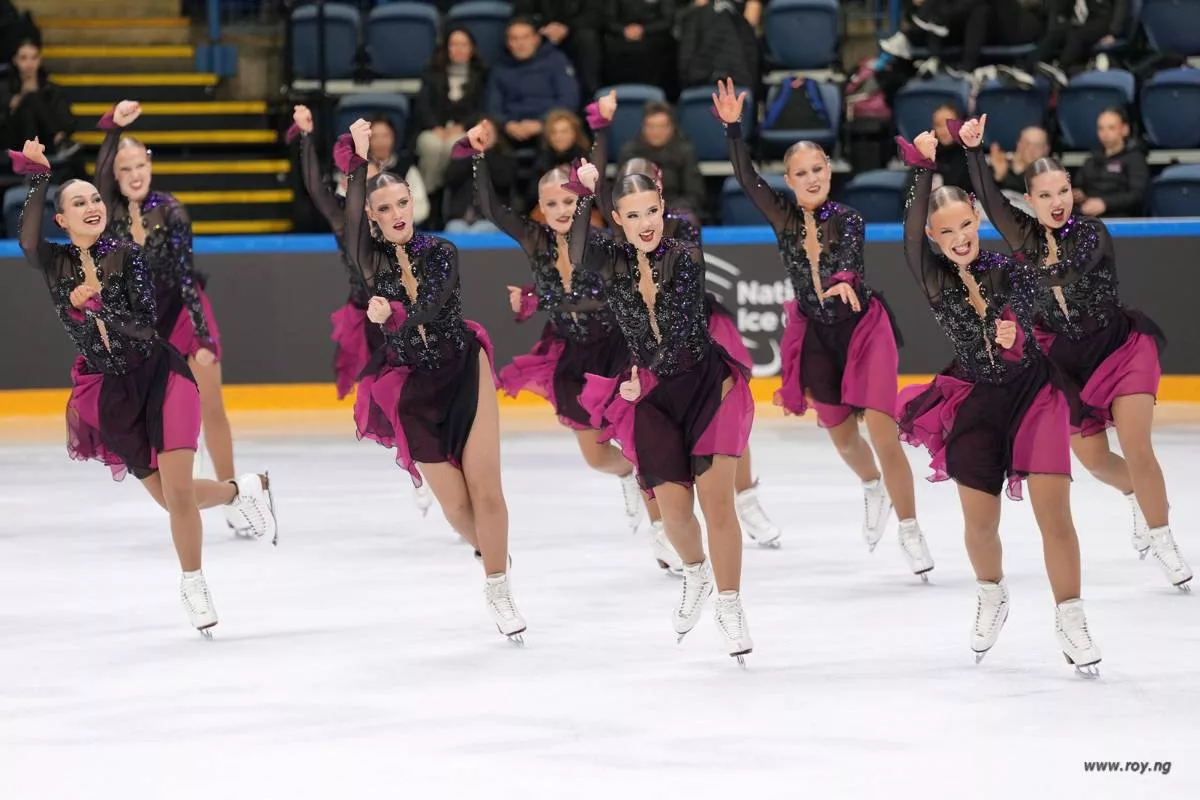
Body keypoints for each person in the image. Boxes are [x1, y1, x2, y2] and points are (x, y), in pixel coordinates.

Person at [12, 138, 277, 637]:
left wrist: (94, 306)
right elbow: (27, 241)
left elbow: (144, 326)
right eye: (79, 203)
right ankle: (244, 488)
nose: (92, 206)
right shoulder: (54, 264)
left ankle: (194, 583)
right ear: (62, 221)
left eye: (95, 199)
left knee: (178, 492)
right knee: (169, 500)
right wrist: (41, 177)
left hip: (162, 376)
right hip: (112, 395)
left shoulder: (126, 255)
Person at [897, 129, 1101, 675]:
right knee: (980, 523)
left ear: (978, 220)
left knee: (1054, 515)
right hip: (975, 402)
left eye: (966, 224)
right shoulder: (933, 279)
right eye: (947, 232)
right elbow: (910, 232)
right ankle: (991, 593)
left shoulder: (1011, 268)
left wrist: (1014, 336)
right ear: (936, 239)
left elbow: (1025, 318)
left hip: (1034, 392)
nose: (959, 236)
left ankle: (1071, 615)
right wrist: (923, 167)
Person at [959, 113, 1192, 589]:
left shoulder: (1092, 234)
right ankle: (1133, 493)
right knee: (1094, 459)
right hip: (1063, 365)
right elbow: (988, 198)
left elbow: (1065, 274)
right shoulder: (1022, 236)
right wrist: (972, 151)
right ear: (1029, 201)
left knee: (1136, 444)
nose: (1056, 201)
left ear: (1071, 189)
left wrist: (1024, 277)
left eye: (1061, 191)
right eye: (1043, 195)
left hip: (1118, 349)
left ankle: (1163, 536)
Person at [715, 78, 933, 578]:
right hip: (816, 333)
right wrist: (732, 130)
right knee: (841, 437)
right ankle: (872, 486)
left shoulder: (849, 219)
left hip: (863, 329)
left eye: (818, 169)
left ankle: (910, 528)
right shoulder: (783, 218)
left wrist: (843, 281)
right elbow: (748, 180)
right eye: (800, 173)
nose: (811, 178)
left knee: (882, 429)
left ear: (828, 171)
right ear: (789, 180)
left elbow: (849, 259)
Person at [340, 118, 526, 641]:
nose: (397, 214)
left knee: (486, 493)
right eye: (384, 208)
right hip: (413, 389)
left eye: (402, 203)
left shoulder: (442, 251)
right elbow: (350, 218)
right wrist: (356, 162)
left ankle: (498, 587)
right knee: (456, 506)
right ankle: (493, 551)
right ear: (373, 219)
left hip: (464, 369)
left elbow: (433, 305)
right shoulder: (368, 262)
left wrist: (392, 314)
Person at [567, 158, 756, 662]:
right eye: (633, 216)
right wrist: (585, 196)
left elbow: (675, 336)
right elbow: (578, 247)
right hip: (652, 400)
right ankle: (696, 572)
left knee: (717, 504)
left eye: (652, 211)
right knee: (673, 513)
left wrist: (639, 379)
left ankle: (731, 604)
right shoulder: (610, 259)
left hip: (704, 387)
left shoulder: (684, 256)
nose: (646, 223)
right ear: (619, 221)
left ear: (663, 209)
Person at [466, 94, 648, 535]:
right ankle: (628, 474)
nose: (563, 211)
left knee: (642, 438)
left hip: (618, 349)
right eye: (552, 205)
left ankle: (660, 514)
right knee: (597, 456)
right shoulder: (534, 240)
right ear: (541, 209)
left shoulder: (602, 240)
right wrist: (479, 155)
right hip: (572, 356)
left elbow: (594, 176)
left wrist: (601, 130)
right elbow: (490, 209)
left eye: (570, 202)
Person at [600, 153, 786, 554]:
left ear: (659, 186)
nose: (642, 213)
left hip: (699, 326)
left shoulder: (681, 226)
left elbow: (682, 283)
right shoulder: (619, 249)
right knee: (653, 437)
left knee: (725, 417)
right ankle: (662, 526)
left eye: (647, 186)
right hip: (648, 342)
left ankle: (746, 497)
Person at [92, 101, 250, 535]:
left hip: (184, 314)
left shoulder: (172, 210)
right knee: (165, 416)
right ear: (115, 176)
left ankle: (236, 490)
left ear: (150, 164)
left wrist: (201, 336)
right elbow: (100, 172)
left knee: (212, 404)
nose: (134, 174)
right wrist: (113, 130)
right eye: (124, 169)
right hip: (144, 330)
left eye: (139, 165)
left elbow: (183, 274)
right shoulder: (107, 216)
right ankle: (188, 487)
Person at [291, 105, 436, 516]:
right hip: (369, 317)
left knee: (424, 391)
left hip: (414, 312)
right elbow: (315, 187)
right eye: (361, 173)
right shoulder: (344, 215)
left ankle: (432, 457)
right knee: (393, 397)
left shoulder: (397, 210)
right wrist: (306, 137)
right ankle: (418, 464)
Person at [413, 26, 488, 195]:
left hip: (466, 129)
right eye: (454, 44)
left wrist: (462, 126)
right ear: (446, 48)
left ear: (472, 48)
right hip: (434, 129)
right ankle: (430, 194)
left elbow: (483, 108)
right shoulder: (432, 72)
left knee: (453, 146)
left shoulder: (482, 74)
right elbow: (423, 106)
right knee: (430, 145)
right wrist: (435, 127)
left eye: (464, 45)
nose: (459, 49)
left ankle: (445, 194)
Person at [486, 17, 579, 147]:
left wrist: (542, 123)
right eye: (514, 39)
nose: (520, 43)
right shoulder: (499, 68)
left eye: (525, 37)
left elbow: (569, 100)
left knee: (563, 128)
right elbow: (493, 106)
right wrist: (508, 124)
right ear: (508, 43)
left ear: (536, 39)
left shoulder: (556, 60)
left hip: (549, 127)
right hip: (510, 130)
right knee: (485, 134)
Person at [0, 35, 79, 175]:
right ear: (15, 60)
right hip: (15, 142)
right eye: (23, 58)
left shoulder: (52, 89)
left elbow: (68, 123)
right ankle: (58, 139)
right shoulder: (5, 89)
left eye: (34, 57)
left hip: (45, 144)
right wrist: (15, 103)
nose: (29, 63)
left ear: (40, 59)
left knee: (32, 98)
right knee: (29, 99)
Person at [616, 102, 706, 214]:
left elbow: (694, 195)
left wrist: (664, 211)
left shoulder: (685, 152)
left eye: (661, 126)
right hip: (638, 213)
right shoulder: (629, 153)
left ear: (671, 127)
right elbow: (621, 194)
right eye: (650, 126)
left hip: (675, 213)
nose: (656, 132)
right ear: (643, 127)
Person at [512, 0, 603, 99]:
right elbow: (521, 13)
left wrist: (566, 27)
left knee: (588, 39)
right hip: (541, 32)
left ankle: (589, 100)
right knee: (521, 35)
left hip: (575, 33)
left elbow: (596, 14)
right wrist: (542, 27)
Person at [1073, 107, 1148, 219]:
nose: (1105, 133)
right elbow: (1078, 186)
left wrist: (1105, 204)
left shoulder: (1135, 159)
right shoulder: (1091, 159)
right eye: (1101, 128)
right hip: (1089, 220)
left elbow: (1137, 195)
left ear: (1125, 129)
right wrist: (1077, 195)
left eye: (1111, 128)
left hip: (1122, 220)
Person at [989, 125, 1050, 195]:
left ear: (1046, 150)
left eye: (1037, 145)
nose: (1031, 150)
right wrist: (998, 176)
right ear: (1019, 144)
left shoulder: (1050, 178)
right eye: (1027, 144)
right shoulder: (999, 166)